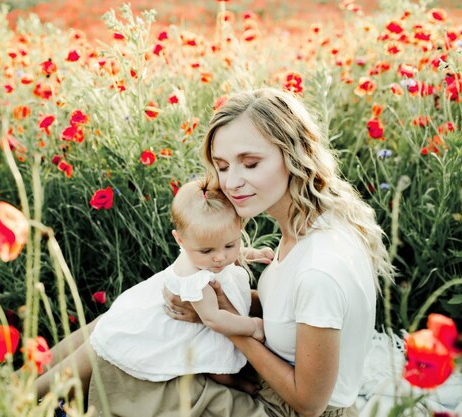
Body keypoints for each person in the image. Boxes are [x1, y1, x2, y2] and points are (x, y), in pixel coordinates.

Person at [86, 87, 394, 417]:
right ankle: (26, 384)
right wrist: (214, 303)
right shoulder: (309, 224)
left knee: (121, 370)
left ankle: (36, 399)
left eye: (249, 164)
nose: (231, 182)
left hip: (286, 407)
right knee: (131, 317)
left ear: (295, 155)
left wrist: (224, 324)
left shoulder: (320, 267)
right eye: (222, 166)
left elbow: (310, 404)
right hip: (269, 378)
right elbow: (292, 313)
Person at [34, 179, 266, 400]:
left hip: (155, 300)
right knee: (213, 359)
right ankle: (36, 392)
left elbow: (224, 251)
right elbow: (214, 320)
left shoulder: (208, 250)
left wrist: (251, 254)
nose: (220, 257)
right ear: (181, 241)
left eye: (230, 244)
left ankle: (25, 376)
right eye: (207, 251)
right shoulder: (199, 280)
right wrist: (253, 326)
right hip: (171, 324)